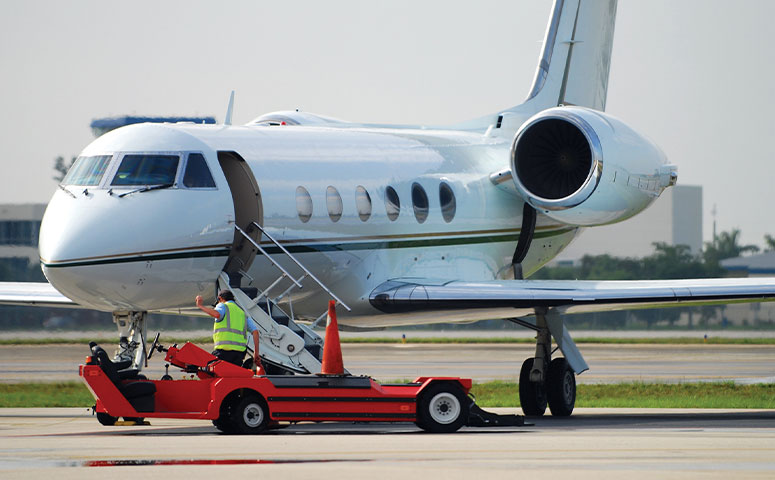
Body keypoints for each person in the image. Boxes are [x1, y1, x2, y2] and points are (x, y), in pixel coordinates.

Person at [195, 290, 248, 366]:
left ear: (220, 298)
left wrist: (200, 306)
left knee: (206, 366)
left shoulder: (223, 305)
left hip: (224, 351)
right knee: (233, 375)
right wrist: (256, 353)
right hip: (239, 354)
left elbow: (216, 314)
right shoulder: (242, 312)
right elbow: (255, 331)